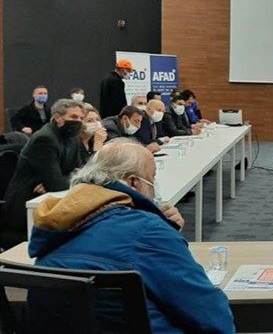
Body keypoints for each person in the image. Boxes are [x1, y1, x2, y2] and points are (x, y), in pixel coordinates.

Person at [25, 140, 234, 333]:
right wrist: (163, 234)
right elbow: (213, 317)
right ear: (134, 182)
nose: (154, 186)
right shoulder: (148, 231)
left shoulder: (55, 228)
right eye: (152, 178)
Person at [0, 99, 84, 249]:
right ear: (57, 117)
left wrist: (64, 178)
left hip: (50, 202)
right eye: (73, 117)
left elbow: (80, 172)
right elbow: (58, 185)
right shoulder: (45, 139)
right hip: (25, 207)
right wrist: (67, 177)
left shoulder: (72, 138)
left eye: (80, 118)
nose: (78, 121)